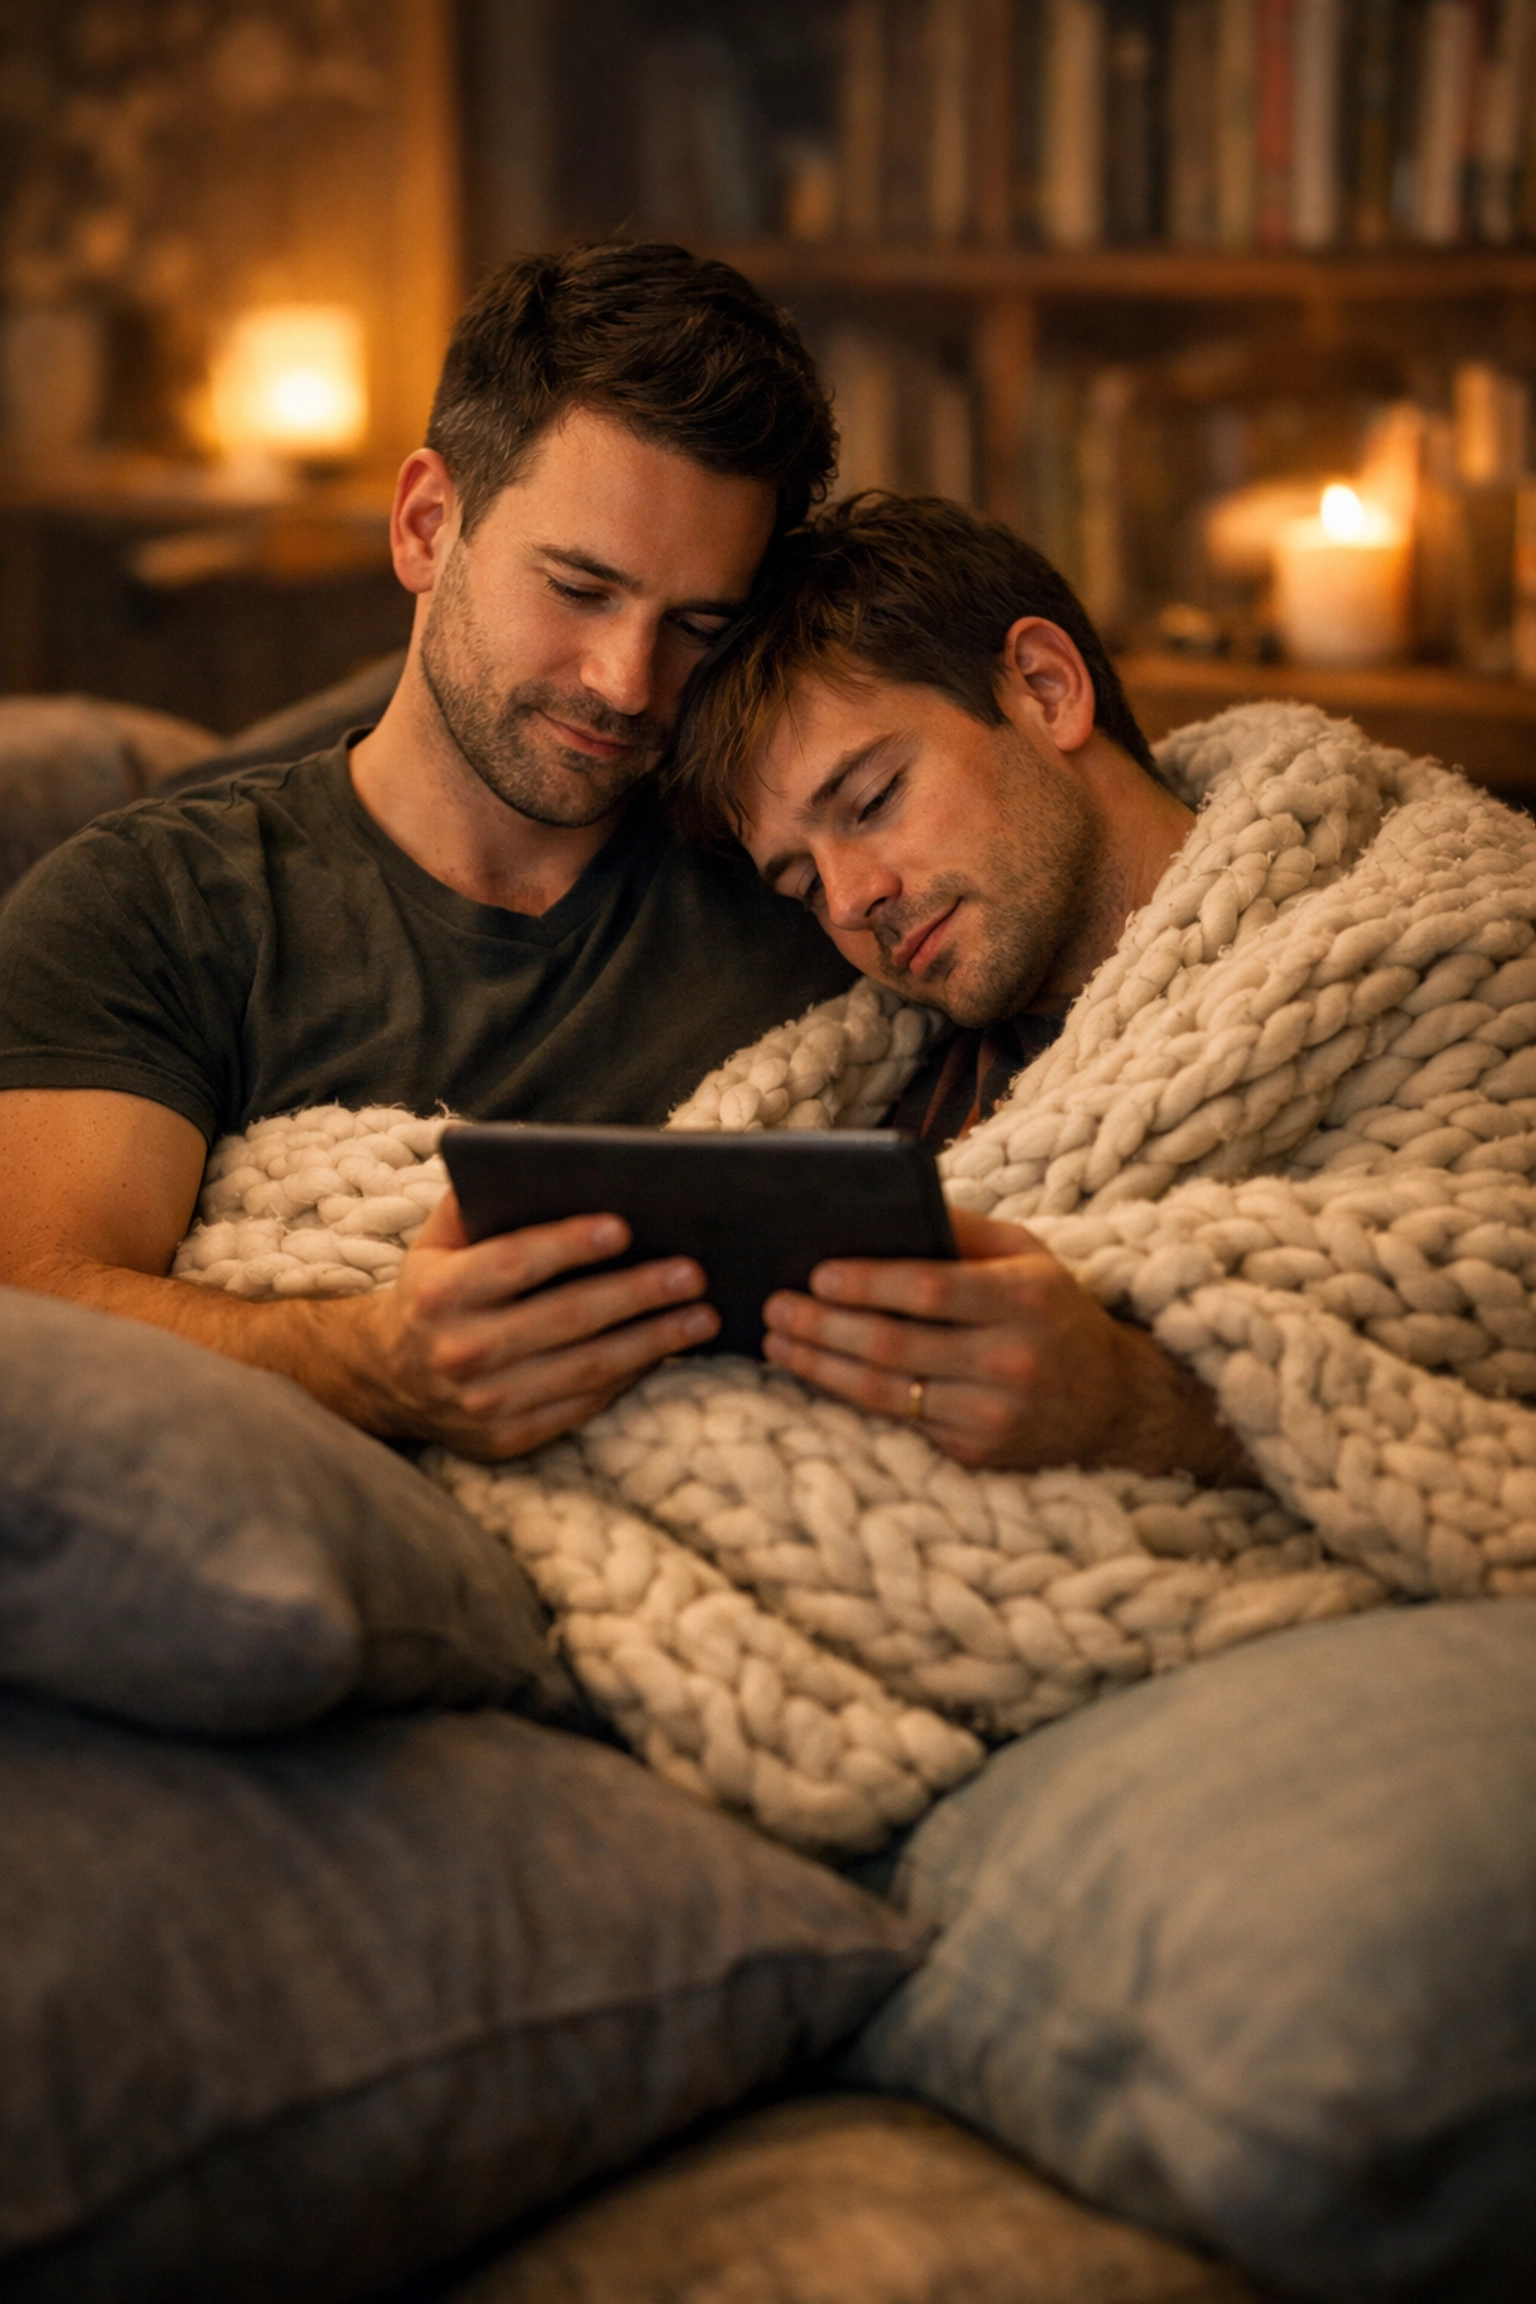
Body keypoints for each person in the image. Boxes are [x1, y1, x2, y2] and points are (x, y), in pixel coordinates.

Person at [0, 243, 855, 1459]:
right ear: (425, 526)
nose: (625, 682)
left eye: (697, 625)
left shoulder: (809, 884)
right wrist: (368, 1364)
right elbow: (32, 1313)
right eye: (578, 588)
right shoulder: (149, 905)